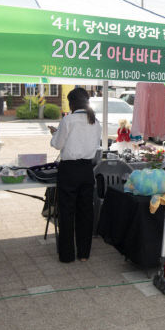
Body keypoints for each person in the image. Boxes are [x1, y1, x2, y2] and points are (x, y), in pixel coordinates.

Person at [48, 87, 101, 263]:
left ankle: (67, 255)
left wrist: (55, 133)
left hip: (69, 170)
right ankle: (84, 254)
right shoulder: (95, 121)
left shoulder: (68, 120)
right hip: (87, 169)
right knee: (86, 212)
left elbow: (57, 144)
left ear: (72, 103)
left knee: (67, 212)